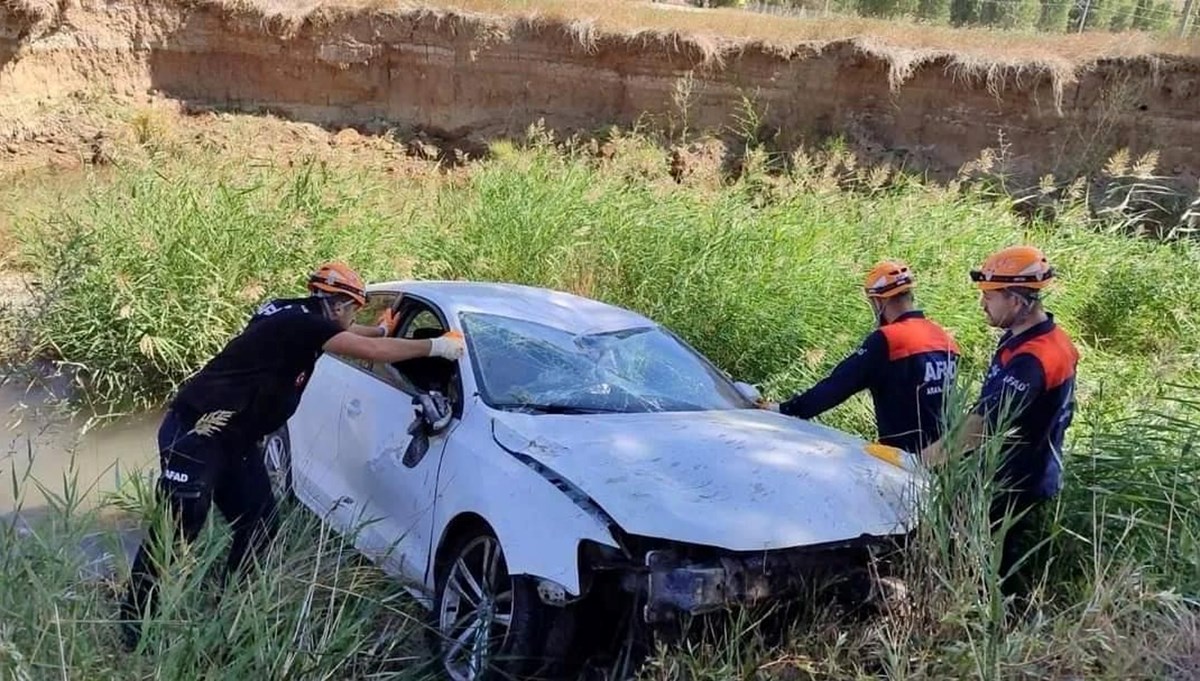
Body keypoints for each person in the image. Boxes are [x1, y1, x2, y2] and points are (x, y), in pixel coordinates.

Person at [118, 262, 464, 649]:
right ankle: (135, 624)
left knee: (260, 521)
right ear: (336, 306)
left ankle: (228, 609)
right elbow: (369, 349)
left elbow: (350, 335)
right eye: (353, 309)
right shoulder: (308, 326)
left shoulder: (290, 309)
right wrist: (438, 346)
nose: (352, 318)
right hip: (196, 434)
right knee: (177, 531)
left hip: (236, 440)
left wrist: (383, 328)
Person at [921, 245, 1079, 598]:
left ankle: (997, 631)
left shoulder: (1037, 357)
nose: (983, 305)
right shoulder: (1029, 337)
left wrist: (923, 462)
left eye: (990, 297)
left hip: (1019, 479)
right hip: (1012, 471)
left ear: (1018, 301)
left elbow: (984, 423)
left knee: (992, 572)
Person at [762, 260, 960, 456]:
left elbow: (837, 386)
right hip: (947, 457)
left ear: (878, 301)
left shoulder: (888, 339)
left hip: (903, 460)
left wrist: (785, 409)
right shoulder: (944, 337)